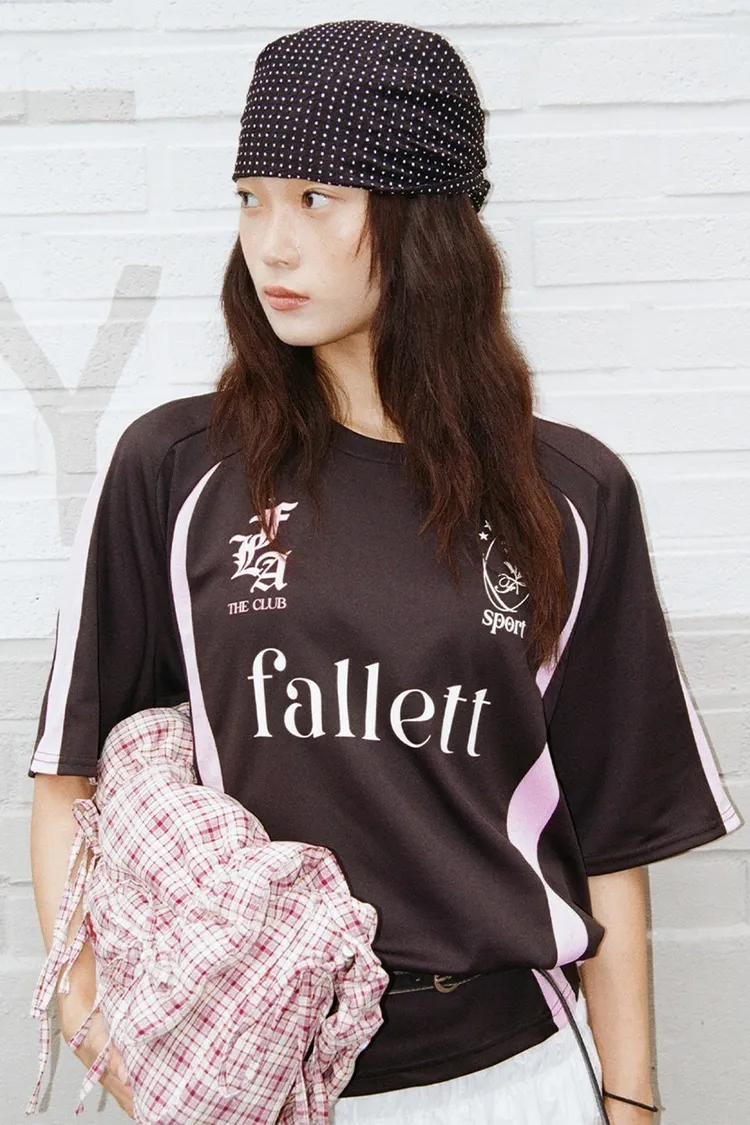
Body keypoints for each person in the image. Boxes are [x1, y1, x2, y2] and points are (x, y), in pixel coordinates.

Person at [28, 18, 740, 1125]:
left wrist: (631, 1099)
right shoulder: (177, 470)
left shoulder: (568, 494)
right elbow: (69, 781)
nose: (271, 245)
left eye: (316, 199)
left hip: (512, 1076)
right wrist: (115, 1054)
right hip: (258, 1082)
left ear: (423, 221)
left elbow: (611, 836)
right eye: (251, 198)